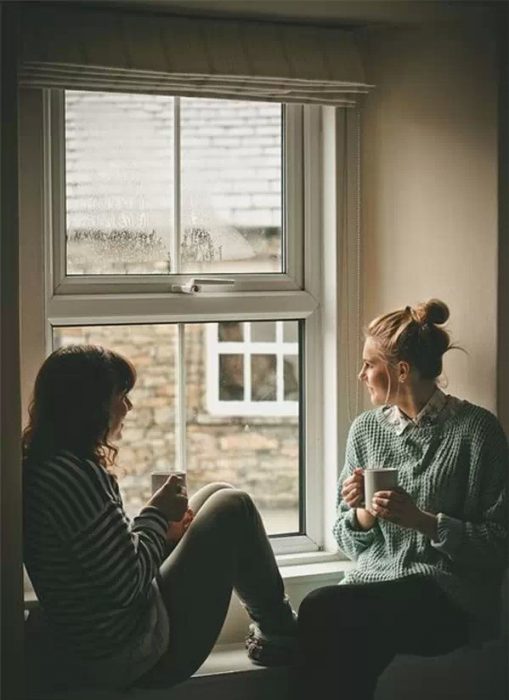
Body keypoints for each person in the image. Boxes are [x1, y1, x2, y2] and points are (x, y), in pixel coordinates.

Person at [23, 345, 296, 692]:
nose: (129, 407)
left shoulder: (48, 465)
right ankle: (280, 632)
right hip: (135, 653)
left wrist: (162, 531)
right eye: (121, 396)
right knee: (233, 505)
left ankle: (277, 629)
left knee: (216, 492)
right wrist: (156, 514)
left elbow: (105, 565)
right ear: (92, 406)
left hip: (109, 638)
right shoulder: (74, 477)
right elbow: (127, 584)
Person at [296, 299, 508, 700]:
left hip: (449, 598)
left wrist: (424, 522)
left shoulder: (478, 432)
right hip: (375, 588)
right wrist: (363, 514)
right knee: (332, 622)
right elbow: (346, 540)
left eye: (368, 364)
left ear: (402, 371)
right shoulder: (365, 431)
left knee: (328, 615)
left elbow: (499, 543)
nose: (361, 374)